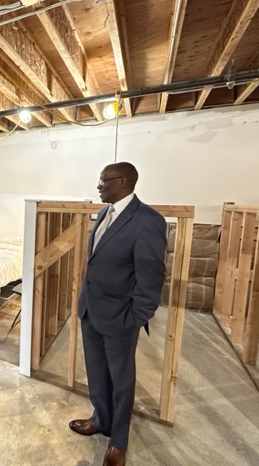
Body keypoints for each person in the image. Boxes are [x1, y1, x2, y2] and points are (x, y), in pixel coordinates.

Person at [69, 162, 167, 466]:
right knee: (97, 373)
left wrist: (136, 317)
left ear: (123, 181)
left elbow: (151, 278)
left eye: (103, 181)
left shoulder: (148, 221)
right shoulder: (104, 213)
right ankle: (101, 419)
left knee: (121, 380)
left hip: (121, 317)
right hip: (91, 310)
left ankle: (118, 441)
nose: (98, 186)